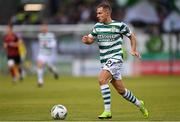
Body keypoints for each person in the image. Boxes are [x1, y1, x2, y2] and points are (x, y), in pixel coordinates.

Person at [81, 2, 149, 119]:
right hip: (105, 62)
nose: (97, 15)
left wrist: (133, 50)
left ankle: (107, 111)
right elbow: (90, 40)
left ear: (107, 13)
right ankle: (139, 103)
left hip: (116, 59)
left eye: (100, 13)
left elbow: (132, 36)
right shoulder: (97, 27)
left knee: (102, 79)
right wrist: (86, 40)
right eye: (97, 13)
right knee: (121, 91)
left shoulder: (119, 25)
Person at [36, 23, 59, 87]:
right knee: (39, 65)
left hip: (49, 55)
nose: (43, 29)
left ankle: (54, 72)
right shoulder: (39, 35)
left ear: (47, 28)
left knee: (49, 67)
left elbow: (54, 44)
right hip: (41, 54)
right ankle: (40, 81)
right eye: (42, 27)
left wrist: (47, 44)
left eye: (44, 27)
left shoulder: (51, 35)